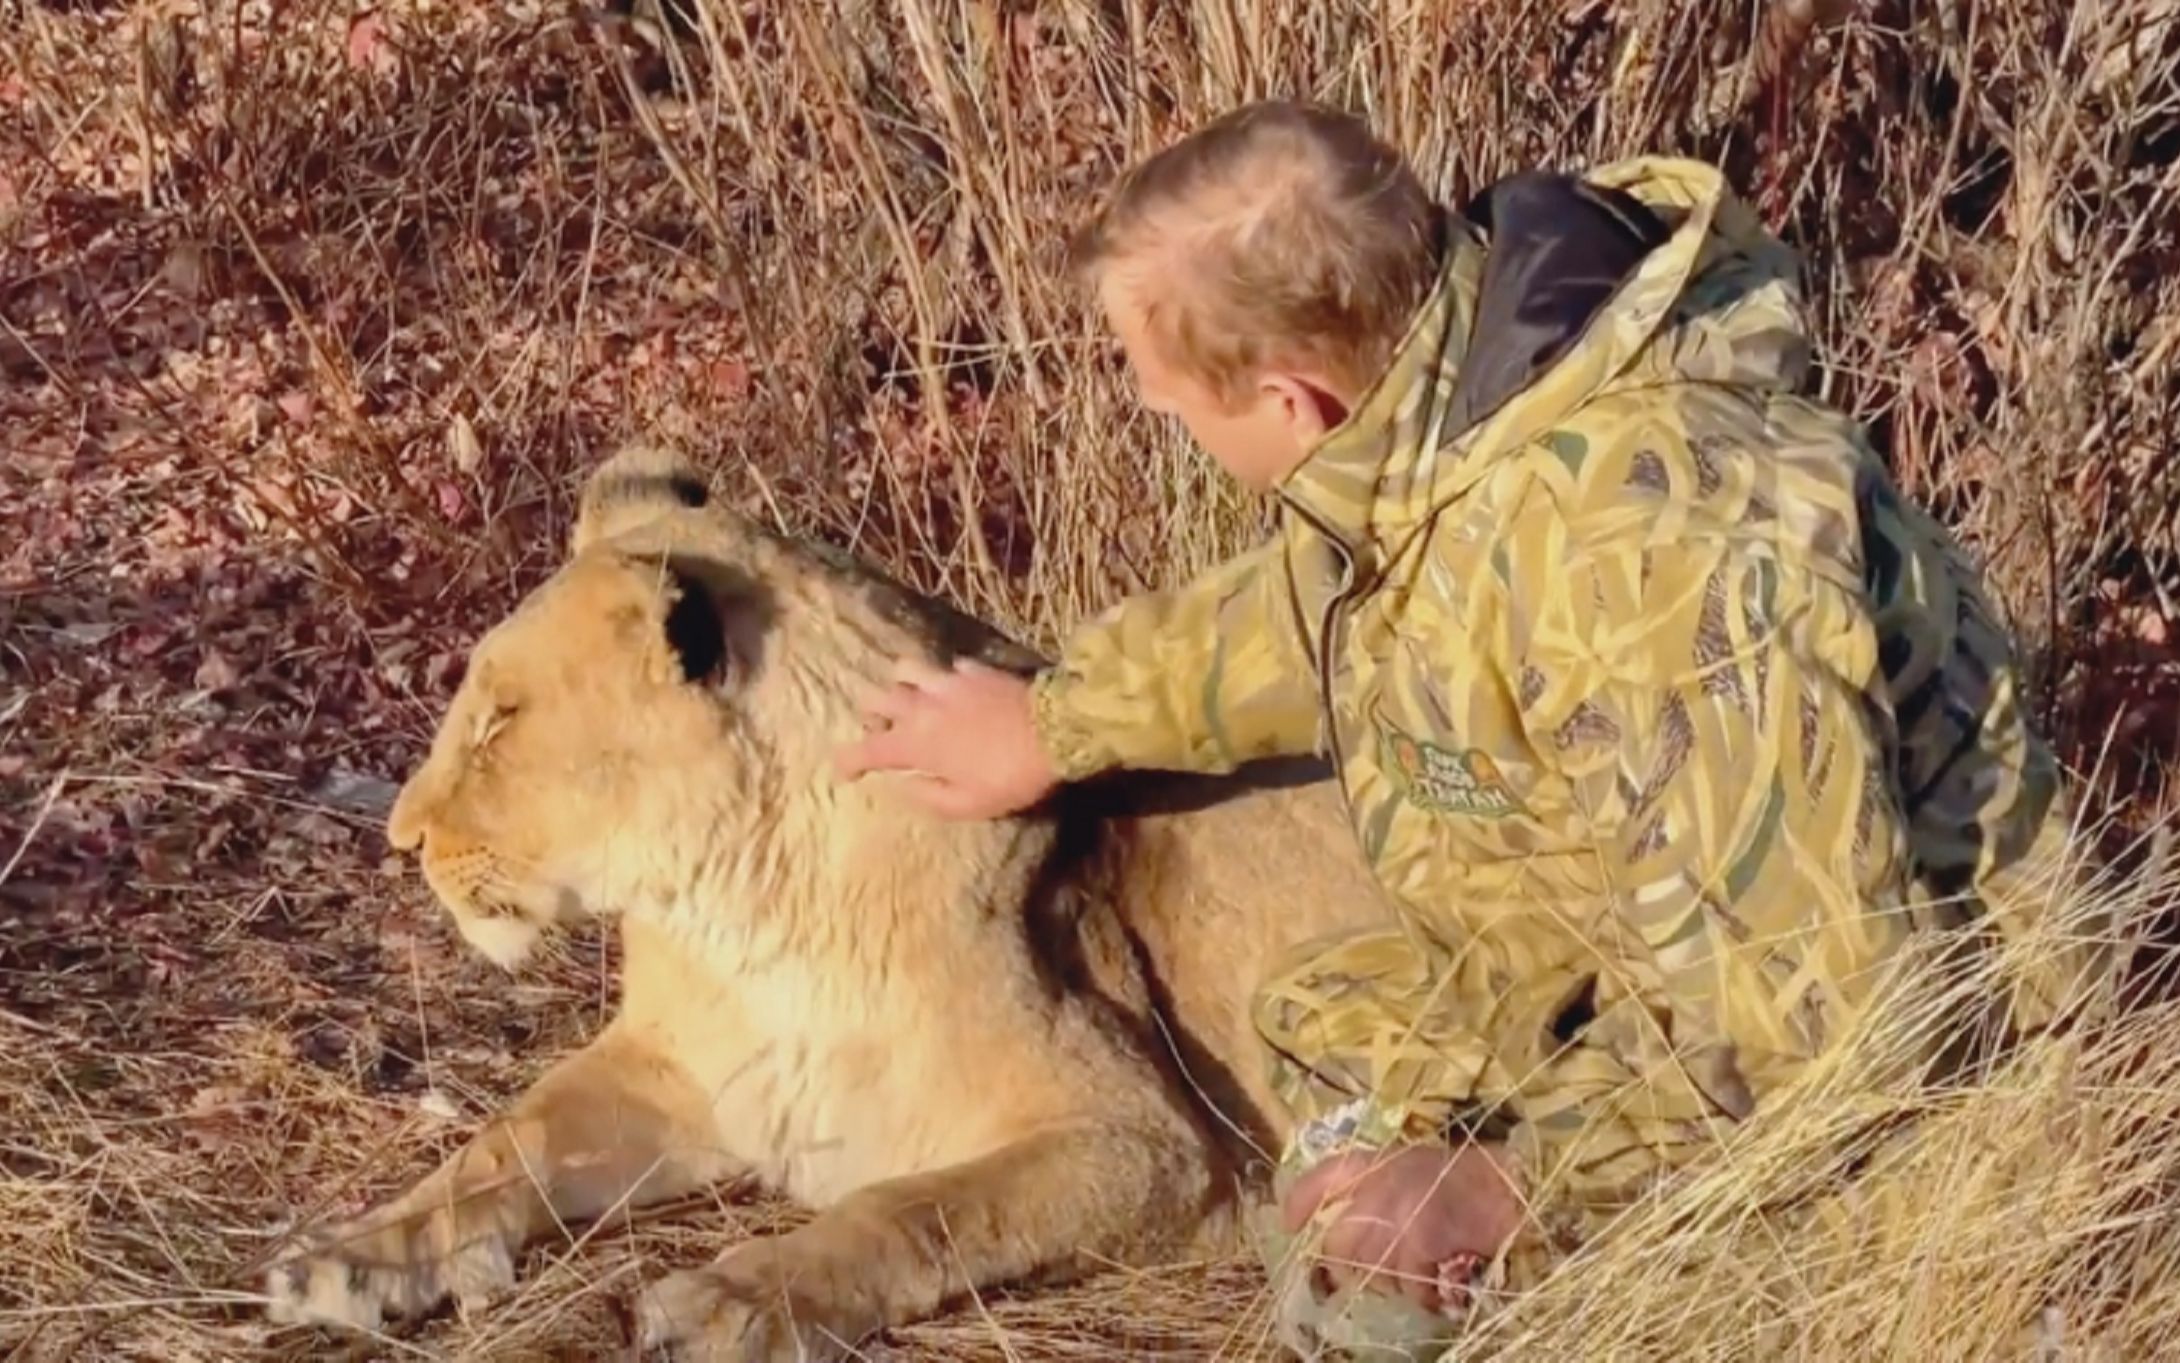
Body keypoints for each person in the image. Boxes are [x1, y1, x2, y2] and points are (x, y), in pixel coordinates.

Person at [834, 101, 2093, 1357]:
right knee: (1328, 1021)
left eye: (1164, 399)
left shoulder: (1657, 565)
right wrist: (1055, 721)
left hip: (1920, 1093)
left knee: (1389, 1284)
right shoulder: (1445, 394)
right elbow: (1314, 613)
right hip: (1606, 954)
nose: (1155, 412)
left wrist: (1498, 1183)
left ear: (1289, 403)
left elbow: (1828, 1025)